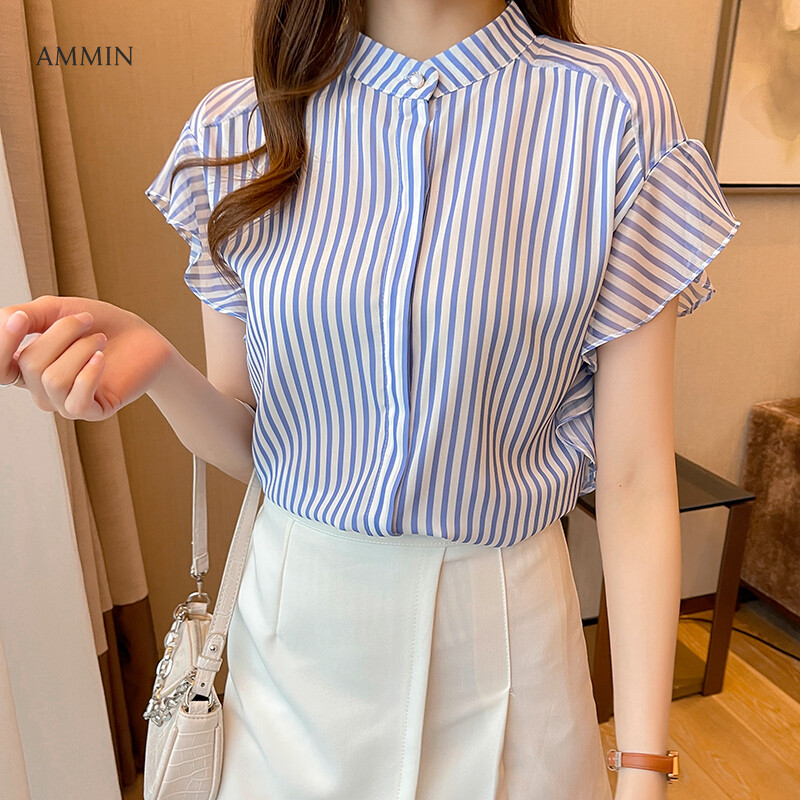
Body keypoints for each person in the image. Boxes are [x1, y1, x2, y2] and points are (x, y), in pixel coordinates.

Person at [0, 1, 741, 798]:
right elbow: (256, 447)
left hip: (507, 638)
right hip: (292, 646)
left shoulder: (613, 114)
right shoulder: (237, 128)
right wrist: (158, 369)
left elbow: (633, 479)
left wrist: (644, 769)